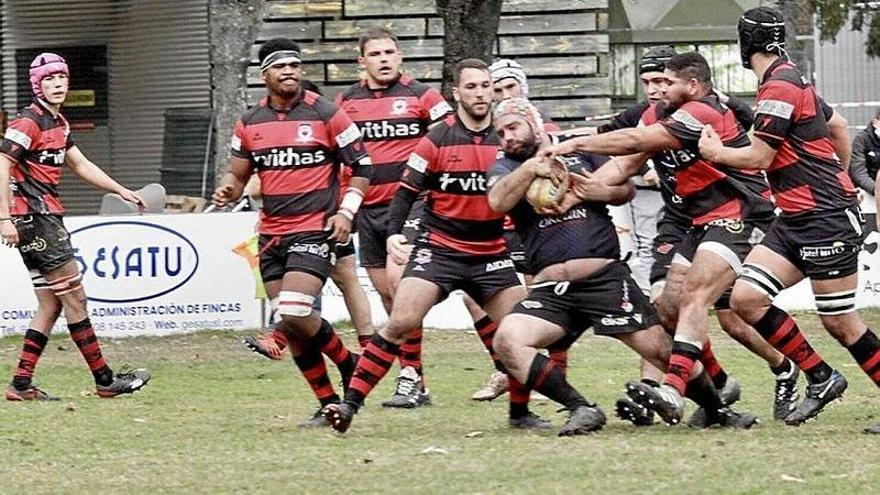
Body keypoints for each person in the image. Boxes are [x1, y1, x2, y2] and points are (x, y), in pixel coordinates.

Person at [487, 97, 756, 434]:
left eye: (513, 126)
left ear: (534, 122)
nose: (507, 137)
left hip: (604, 279)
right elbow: (497, 202)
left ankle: (718, 411)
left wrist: (591, 191)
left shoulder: (577, 152)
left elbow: (624, 188)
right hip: (551, 288)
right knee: (508, 340)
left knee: (660, 350)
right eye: (500, 132)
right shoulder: (504, 168)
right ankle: (581, 409)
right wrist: (530, 169)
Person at [548, 52, 784, 426]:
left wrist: (575, 144)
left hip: (739, 212)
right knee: (669, 308)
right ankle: (718, 393)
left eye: (667, 82)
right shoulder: (657, 115)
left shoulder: (701, 111)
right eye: (653, 82)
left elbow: (637, 139)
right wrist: (580, 192)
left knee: (711, 306)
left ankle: (677, 390)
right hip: (696, 220)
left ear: (691, 85)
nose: (659, 89)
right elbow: (626, 163)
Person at [699, 6, 880, 433]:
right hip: (797, 218)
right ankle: (822, 376)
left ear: (745, 45)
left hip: (824, 217)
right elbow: (837, 128)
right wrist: (833, 174)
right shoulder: (790, 77)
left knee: (839, 320)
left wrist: (715, 153)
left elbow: (759, 156)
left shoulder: (779, 85)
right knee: (745, 298)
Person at [322, 59, 527, 433]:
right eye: (473, 87)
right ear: (457, 94)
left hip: (491, 252)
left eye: (487, 87)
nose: (481, 93)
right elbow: (406, 192)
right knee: (401, 319)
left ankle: (522, 414)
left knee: (519, 330)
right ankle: (350, 406)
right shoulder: (436, 139)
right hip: (442, 249)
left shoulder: (508, 138)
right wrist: (394, 233)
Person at [211, 37, 370, 426]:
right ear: (264, 75)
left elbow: (364, 166)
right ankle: (328, 399)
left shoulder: (328, 113)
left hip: (315, 228)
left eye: (295, 66)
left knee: (294, 310)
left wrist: (346, 212)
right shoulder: (249, 123)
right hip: (271, 235)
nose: (289, 72)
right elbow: (239, 173)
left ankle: (349, 364)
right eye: (280, 66)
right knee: (297, 327)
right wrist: (229, 189)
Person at [0, 53, 151, 400]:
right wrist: (4, 217)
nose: (57, 84)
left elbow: (81, 164)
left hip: (42, 218)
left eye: (62, 78)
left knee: (51, 304)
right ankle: (105, 380)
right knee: (76, 299)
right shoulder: (28, 121)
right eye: (49, 79)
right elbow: (3, 163)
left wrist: (121, 190)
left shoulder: (59, 123)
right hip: (36, 220)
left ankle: (21, 385)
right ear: (37, 84)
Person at [329, 28, 454, 408]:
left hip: (411, 205)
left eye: (390, 52)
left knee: (401, 287)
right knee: (387, 295)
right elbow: (335, 152)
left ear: (400, 57)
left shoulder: (421, 95)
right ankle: (418, 378)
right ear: (361, 61)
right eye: (376, 54)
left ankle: (409, 375)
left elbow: (453, 132)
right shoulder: (345, 102)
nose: (384, 59)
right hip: (366, 208)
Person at [471, 58, 567, 402]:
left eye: (510, 87)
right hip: (499, 229)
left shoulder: (547, 132)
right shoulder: (494, 137)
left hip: (537, 229)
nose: (502, 95)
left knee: (543, 299)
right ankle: (506, 367)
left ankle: (550, 375)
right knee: (477, 300)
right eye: (496, 90)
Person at [849, 110, 880, 228]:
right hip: (868, 192)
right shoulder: (862, 139)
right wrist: (876, 190)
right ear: (875, 121)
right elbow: (858, 172)